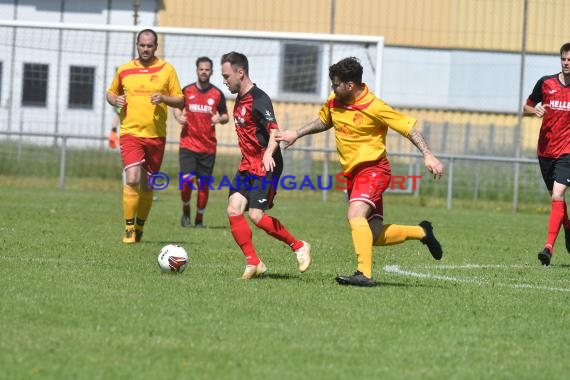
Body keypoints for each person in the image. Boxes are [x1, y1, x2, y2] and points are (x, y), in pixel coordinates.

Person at [275, 57, 444, 287]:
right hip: (352, 174)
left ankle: (364, 274)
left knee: (355, 215)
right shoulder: (336, 101)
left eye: (335, 84)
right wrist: (297, 132)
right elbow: (325, 120)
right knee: (372, 235)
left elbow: (409, 128)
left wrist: (428, 154)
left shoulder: (374, 106)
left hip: (374, 169)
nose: (332, 89)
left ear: (350, 85)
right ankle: (422, 232)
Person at [220, 51, 311, 279]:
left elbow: (274, 131)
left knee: (256, 215)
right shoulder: (239, 99)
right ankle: (254, 262)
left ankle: (299, 246)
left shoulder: (259, 99)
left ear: (240, 73)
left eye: (226, 76)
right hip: (247, 165)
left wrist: (269, 154)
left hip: (265, 165)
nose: (224, 81)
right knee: (233, 209)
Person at [106, 28, 184, 244]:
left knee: (148, 184)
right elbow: (110, 93)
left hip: (156, 136)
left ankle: (140, 226)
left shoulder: (167, 70)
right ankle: (129, 229)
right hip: (130, 133)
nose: (146, 49)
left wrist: (164, 99)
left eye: (150, 45)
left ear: (156, 46)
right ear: (137, 45)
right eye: (142, 45)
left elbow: (180, 100)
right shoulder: (124, 70)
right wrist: (115, 101)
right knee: (132, 178)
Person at [524, 42, 570, 266]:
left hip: (567, 152)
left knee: (557, 195)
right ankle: (568, 229)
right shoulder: (546, 83)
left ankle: (548, 249)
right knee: (557, 200)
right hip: (545, 151)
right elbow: (526, 106)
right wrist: (535, 110)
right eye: (564, 59)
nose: (567, 63)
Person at [173, 56, 229, 228]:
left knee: (203, 185)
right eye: (201, 69)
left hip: (208, 147)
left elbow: (226, 116)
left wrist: (219, 118)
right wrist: (179, 117)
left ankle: (199, 219)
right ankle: (185, 210)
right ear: (196, 70)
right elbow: (177, 108)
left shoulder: (217, 94)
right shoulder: (187, 91)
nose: (204, 72)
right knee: (187, 181)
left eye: (207, 69)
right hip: (188, 144)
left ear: (211, 71)